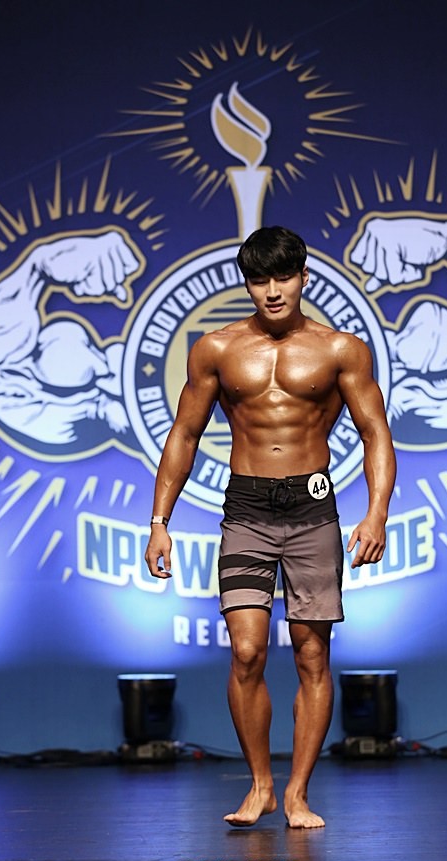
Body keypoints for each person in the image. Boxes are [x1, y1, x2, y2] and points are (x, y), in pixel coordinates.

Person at [145, 225, 396, 828]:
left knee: (312, 654)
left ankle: (298, 793)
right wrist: (159, 521)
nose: (273, 291)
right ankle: (260, 785)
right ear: (248, 285)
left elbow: (375, 434)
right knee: (247, 651)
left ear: (303, 277)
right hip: (247, 510)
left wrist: (377, 512)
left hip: (312, 510)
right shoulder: (216, 349)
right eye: (260, 281)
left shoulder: (341, 350)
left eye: (283, 278)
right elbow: (184, 434)